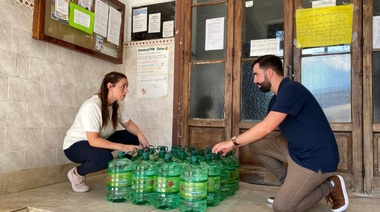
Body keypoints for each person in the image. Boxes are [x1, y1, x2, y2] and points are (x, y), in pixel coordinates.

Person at [212, 55, 349, 212]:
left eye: (256, 74)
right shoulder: (276, 99)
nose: (254, 80)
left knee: (283, 207)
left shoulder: (291, 89)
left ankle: (329, 185)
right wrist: (233, 146)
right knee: (257, 146)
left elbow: (266, 127)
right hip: (296, 150)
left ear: (269, 72)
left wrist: (232, 142)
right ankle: (289, 188)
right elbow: (263, 130)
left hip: (315, 158)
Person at [63, 71, 149, 192]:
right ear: (110, 86)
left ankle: (121, 169)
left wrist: (141, 135)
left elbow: (128, 124)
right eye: (123, 86)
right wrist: (123, 147)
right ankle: (77, 174)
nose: (126, 90)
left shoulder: (116, 106)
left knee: (133, 137)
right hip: (75, 146)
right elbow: (93, 140)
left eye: (127, 86)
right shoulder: (92, 106)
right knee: (104, 158)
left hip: (98, 140)